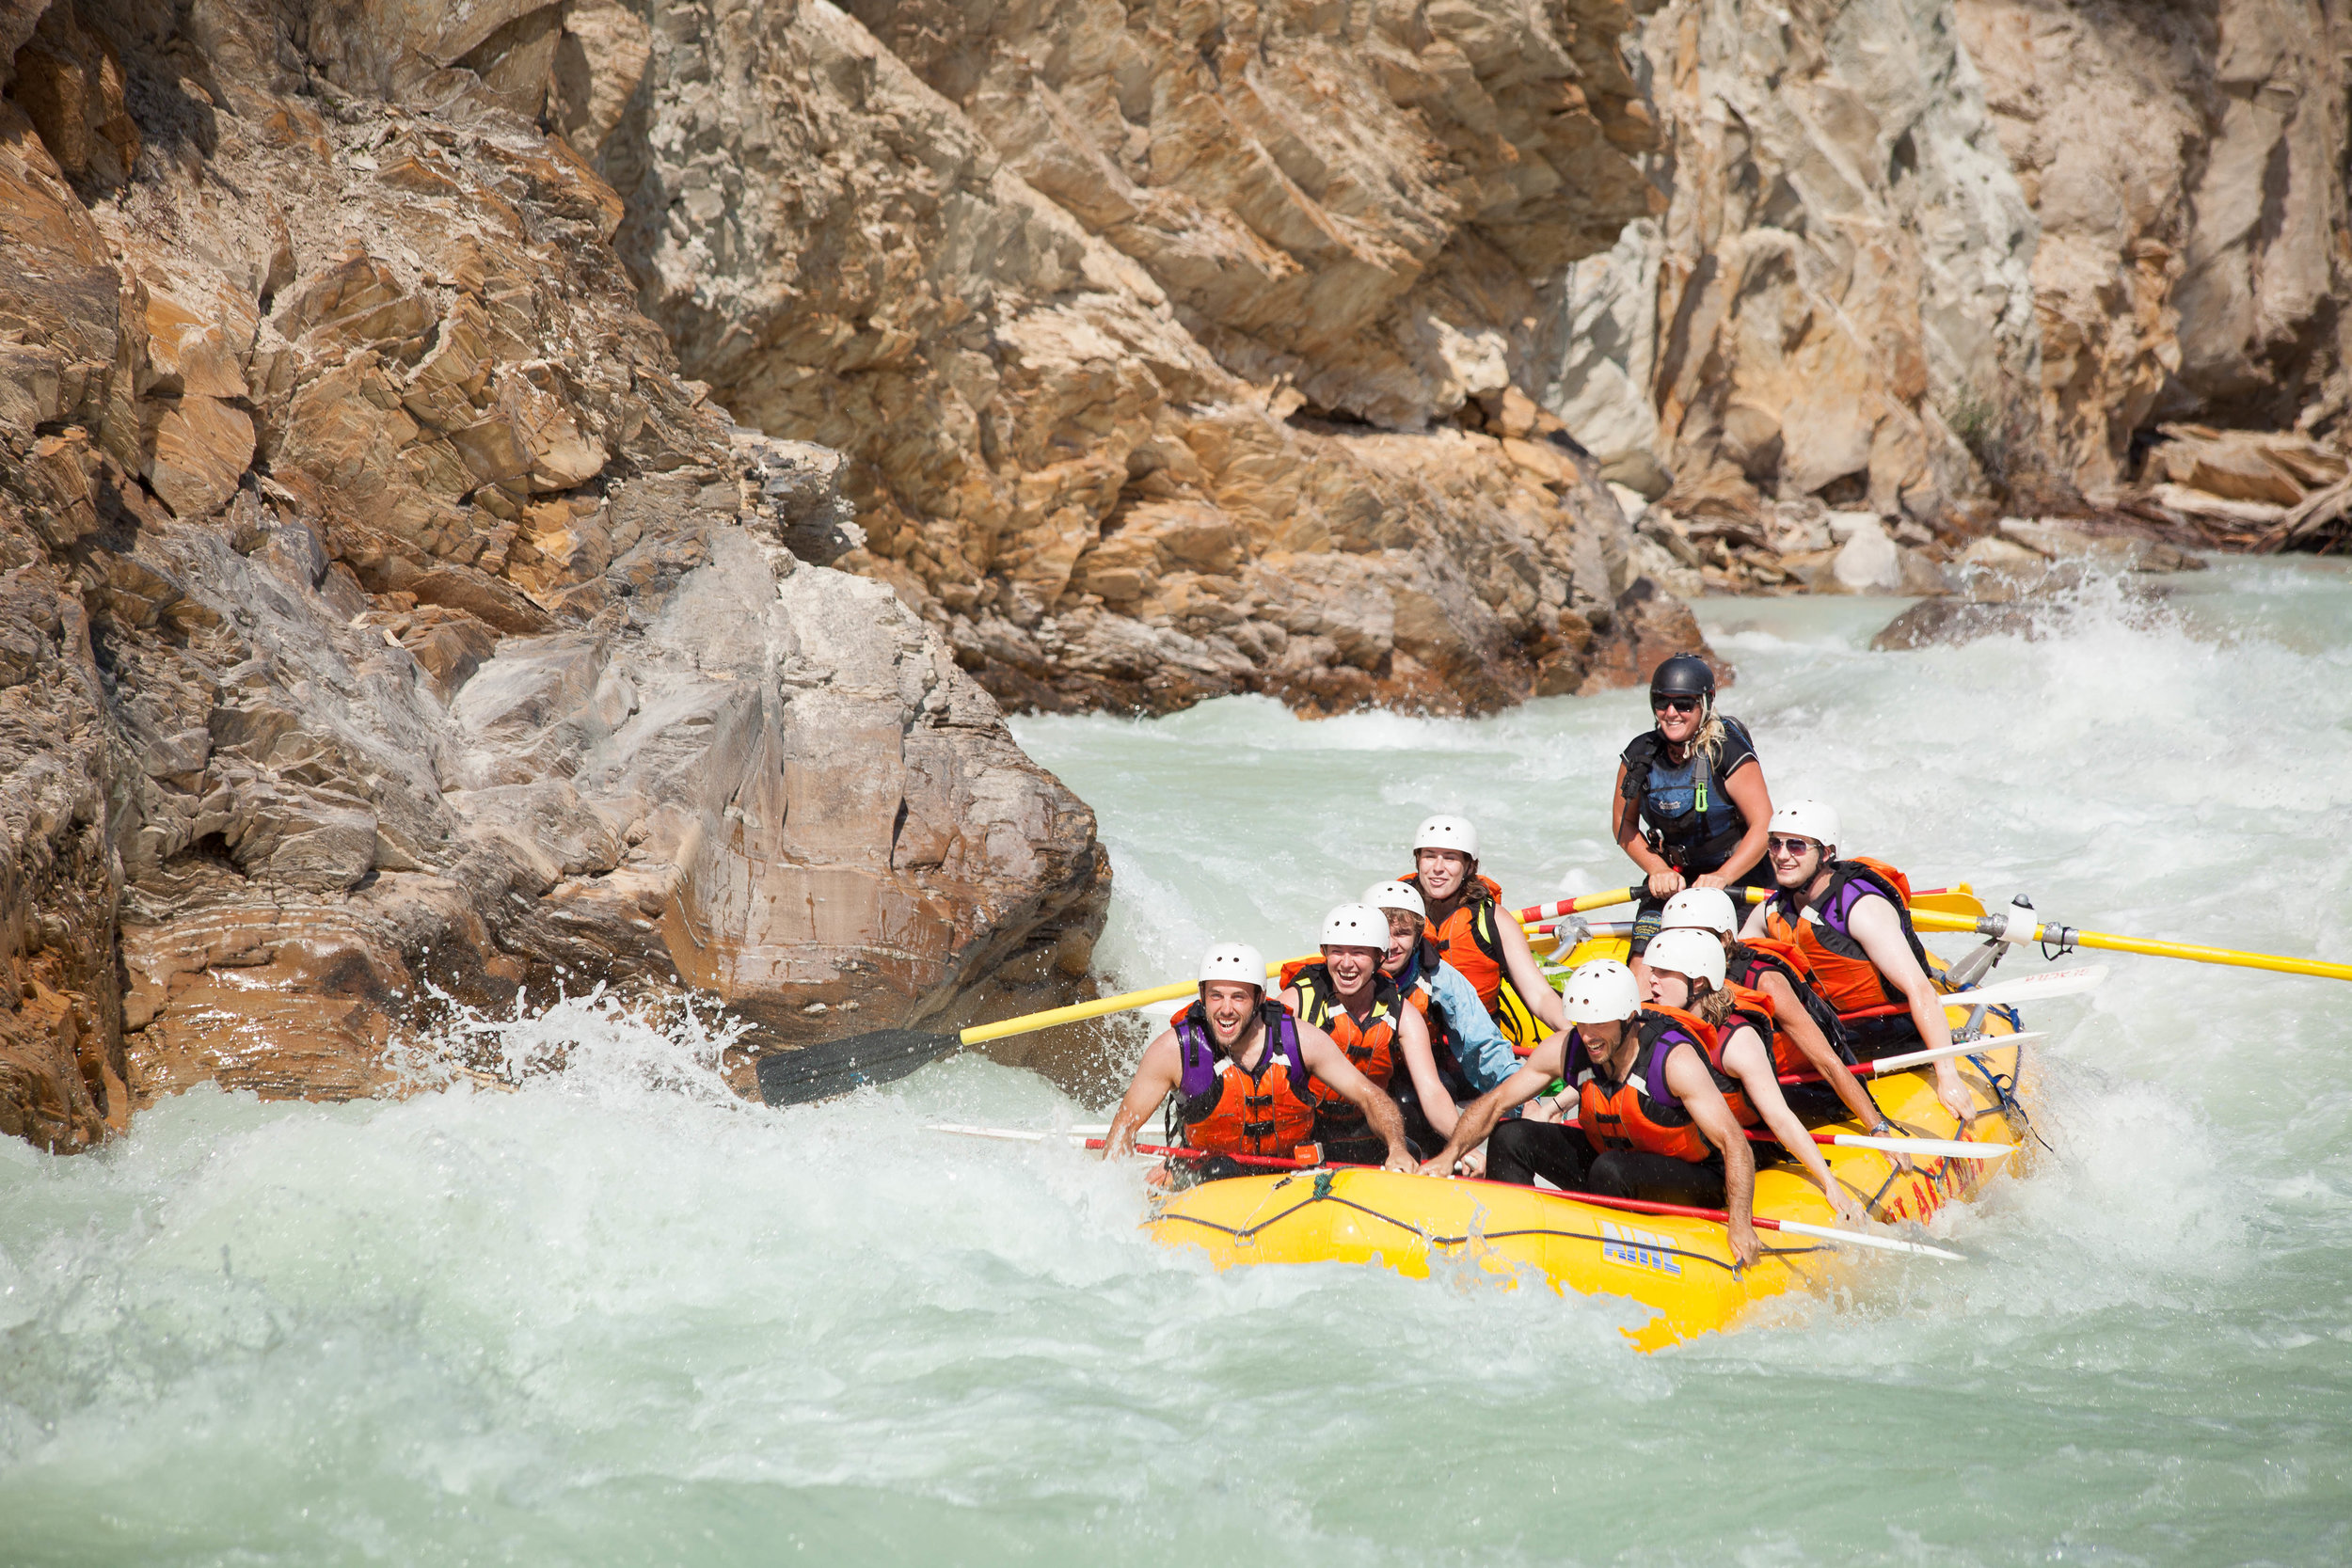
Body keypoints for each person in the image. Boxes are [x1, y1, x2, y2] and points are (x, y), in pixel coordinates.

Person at [1419, 958, 1761, 1266]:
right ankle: (1508, 1237)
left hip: (1694, 1176)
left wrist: (1741, 1223)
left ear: (1629, 1018)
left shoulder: (1673, 1060)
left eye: (1599, 1023)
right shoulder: (1570, 1048)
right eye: (1582, 1023)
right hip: (1612, 1164)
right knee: (1511, 1135)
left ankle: (1603, 1259)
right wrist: (1450, 1155)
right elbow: (1494, 1103)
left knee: (1610, 1170)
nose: (1588, 1036)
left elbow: (1735, 1144)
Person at [1739, 800, 1975, 1124]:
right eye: (1775, 843)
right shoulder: (1771, 911)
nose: (1781, 855)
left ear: (1825, 853)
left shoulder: (1860, 908)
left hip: (1891, 1028)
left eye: (1795, 845)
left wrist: (1947, 1075)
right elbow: (1734, 969)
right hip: (1836, 1030)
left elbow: (1920, 989)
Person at [1101, 942, 1414, 1177]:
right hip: (1208, 1177)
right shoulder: (1174, 1052)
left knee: (1405, 1148)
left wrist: (1397, 1149)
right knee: (1220, 1170)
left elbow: (1370, 1096)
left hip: (1289, 1176)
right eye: (1216, 996)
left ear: (1260, 999)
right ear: (1202, 998)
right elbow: (1123, 1132)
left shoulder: (1302, 1041)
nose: (1226, 1009)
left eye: (1239, 997)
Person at [1642, 928, 1864, 1225]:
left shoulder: (1736, 1041)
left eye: (1664, 971)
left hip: (1730, 1158)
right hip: (1676, 1147)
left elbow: (1779, 1115)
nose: (1651, 979)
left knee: (1612, 1170)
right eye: (1653, 969)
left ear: (1698, 982)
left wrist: (1828, 1181)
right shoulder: (1652, 1022)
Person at [1655, 886, 1890, 1132]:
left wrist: (1877, 1127)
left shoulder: (1765, 981)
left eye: (1691, 938)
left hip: (1808, 1088)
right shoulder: (1677, 980)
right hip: (1745, 1084)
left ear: (1725, 939)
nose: (1676, 949)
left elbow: (1827, 1061)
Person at [1613, 654, 1772, 966]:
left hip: (1741, 880)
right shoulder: (1640, 756)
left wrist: (1722, 877)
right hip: (1674, 880)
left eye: (1684, 705)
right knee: (1643, 967)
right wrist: (1655, 868)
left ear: (1705, 703)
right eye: (1662, 703)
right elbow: (1623, 824)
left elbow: (1764, 824)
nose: (1671, 713)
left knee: (1731, 969)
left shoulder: (1728, 751)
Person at [1279, 904, 1454, 1163]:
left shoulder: (1401, 1013)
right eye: (1337, 952)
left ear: (1379, 956)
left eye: (1359, 953)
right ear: (1324, 953)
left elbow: (1432, 1091)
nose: (1346, 964)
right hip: (1306, 1127)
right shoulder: (1297, 1001)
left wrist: (1462, 1143)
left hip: (1367, 1121)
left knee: (1410, 1149)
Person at [1361, 880, 1520, 1154]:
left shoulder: (1440, 978)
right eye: (1383, 933)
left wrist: (1521, 1096)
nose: (1390, 944)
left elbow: (1484, 1046)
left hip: (1416, 1084)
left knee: (1414, 1099)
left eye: (1402, 933)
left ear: (1419, 936)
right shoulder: (1344, 975)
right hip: (1357, 1088)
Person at [1401, 815, 1564, 1053]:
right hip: (1411, 1042)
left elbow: (1538, 994)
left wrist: (1571, 1031)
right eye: (1429, 856)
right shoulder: (1395, 913)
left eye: (1450, 858)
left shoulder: (1493, 920)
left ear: (1470, 866)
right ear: (1417, 861)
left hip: (1476, 1046)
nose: (1437, 867)